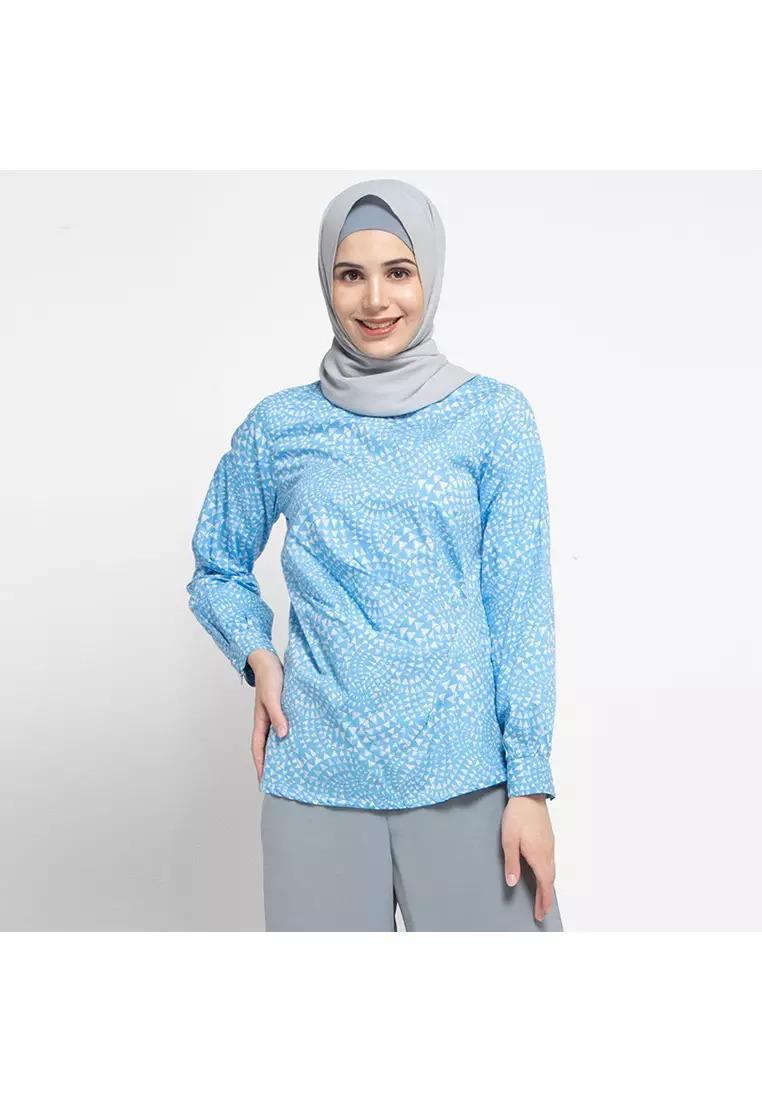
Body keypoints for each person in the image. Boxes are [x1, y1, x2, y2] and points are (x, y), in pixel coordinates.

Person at [186, 178, 564, 932]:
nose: (375, 300)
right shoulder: (281, 426)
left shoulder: (493, 417)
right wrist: (257, 655)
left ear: (431, 275)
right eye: (350, 275)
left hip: (465, 777)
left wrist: (529, 786)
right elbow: (217, 566)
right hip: (316, 778)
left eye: (399, 272)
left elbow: (521, 610)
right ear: (327, 283)